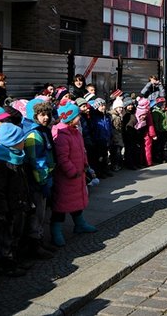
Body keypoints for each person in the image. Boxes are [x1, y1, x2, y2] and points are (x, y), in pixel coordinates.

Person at [50, 101, 97, 247]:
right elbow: (62, 158)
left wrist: (85, 164)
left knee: (75, 201)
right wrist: (72, 172)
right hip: (67, 177)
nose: (80, 118)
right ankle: (55, 231)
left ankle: (80, 224)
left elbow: (81, 150)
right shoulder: (62, 135)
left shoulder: (75, 131)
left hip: (77, 175)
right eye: (78, 116)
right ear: (70, 117)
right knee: (61, 205)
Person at [0, 123, 30, 276]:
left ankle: (15, 260)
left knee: (15, 235)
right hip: (7, 208)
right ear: (13, 142)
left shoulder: (17, 158)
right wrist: (2, 209)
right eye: (21, 140)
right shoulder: (2, 161)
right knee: (6, 237)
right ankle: (7, 265)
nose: (24, 142)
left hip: (18, 204)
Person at [23, 98, 57, 259]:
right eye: (42, 114)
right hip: (37, 182)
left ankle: (40, 240)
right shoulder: (34, 134)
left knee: (42, 213)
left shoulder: (43, 130)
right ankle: (34, 245)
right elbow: (37, 162)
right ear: (34, 115)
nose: (46, 118)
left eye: (48, 114)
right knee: (37, 214)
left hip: (45, 178)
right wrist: (43, 182)